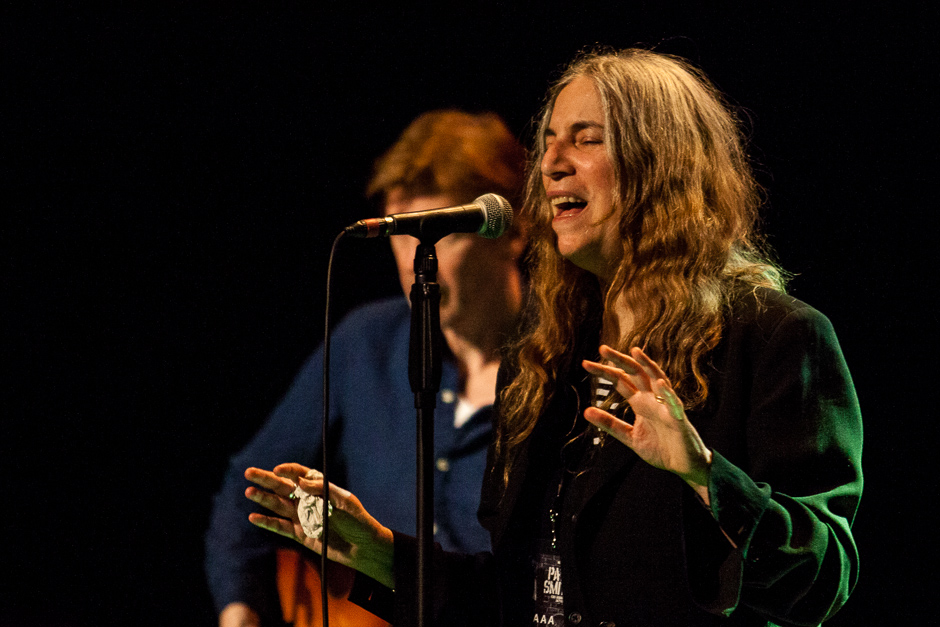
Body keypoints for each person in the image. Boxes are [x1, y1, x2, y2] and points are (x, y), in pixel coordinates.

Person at [245, 48, 863, 627]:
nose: (550, 163)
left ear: (662, 165)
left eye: (587, 139)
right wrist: (379, 552)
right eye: (548, 142)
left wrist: (704, 474)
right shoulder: (544, 359)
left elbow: (823, 578)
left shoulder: (776, 338)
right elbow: (521, 595)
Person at [205, 110, 527, 627]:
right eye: (402, 233)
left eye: (439, 234)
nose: (413, 259)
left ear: (513, 230)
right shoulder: (365, 343)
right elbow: (247, 491)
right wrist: (240, 610)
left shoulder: (564, 362)